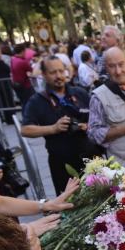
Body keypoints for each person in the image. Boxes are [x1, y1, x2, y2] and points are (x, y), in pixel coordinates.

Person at [21, 54, 99, 194]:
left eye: (61, 71)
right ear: (44, 75)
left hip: (90, 157)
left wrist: (87, 126)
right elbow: (26, 130)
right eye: (53, 72)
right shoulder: (37, 100)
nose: (58, 76)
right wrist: (53, 128)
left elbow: (98, 119)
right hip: (61, 164)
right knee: (70, 205)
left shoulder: (79, 93)